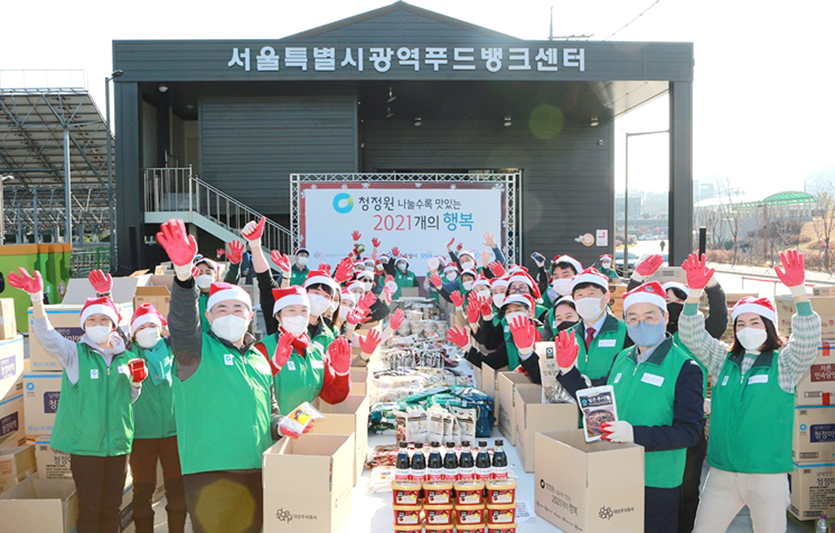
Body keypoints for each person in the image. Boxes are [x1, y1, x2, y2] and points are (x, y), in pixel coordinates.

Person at [156, 218, 304, 533]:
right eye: (222, 310)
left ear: (250, 316)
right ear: (208, 316)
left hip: (257, 471)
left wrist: (281, 424)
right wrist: (184, 276)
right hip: (211, 473)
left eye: (239, 309)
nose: (231, 315)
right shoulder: (194, 353)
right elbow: (182, 323)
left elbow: (270, 412)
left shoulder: (259, 360)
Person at [679, 252, 821, 533]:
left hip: (767, 477)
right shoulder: (722, 362)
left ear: (768, 327)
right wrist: (694, 293)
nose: (747, 329)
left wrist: (799, 294)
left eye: (755, 323)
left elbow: (807, 341)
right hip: (722, 474)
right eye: (740, 324)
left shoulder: (784, 365)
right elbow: (691, 334)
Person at [557, 281, 704, 533]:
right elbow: (596, 399)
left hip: (657, 481)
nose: (641, 323)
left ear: (665, 317)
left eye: (650, 316)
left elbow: (689, 432)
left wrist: (634, 434)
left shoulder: (685, 368)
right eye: (633, 318)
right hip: (616, 473)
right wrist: (568, 370)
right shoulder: (622, 358)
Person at [10, 267, 146, 533]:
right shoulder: (75, 355)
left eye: (103, 320)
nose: (98, 325)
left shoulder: (128, 359)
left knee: (111, 508)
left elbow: (129, 399)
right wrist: (38, 300)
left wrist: (136, 384)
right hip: (86, 449)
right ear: (84, 326)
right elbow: (47, 336)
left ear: (113, 325)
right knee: (90, 509)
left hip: (118, 446)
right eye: (92, 321)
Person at [628, 254, 728, 533]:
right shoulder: (642, 340)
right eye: (666, 297)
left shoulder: (696, 335)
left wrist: (712, 285)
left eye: (678, 298)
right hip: (652, 430)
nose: (671, 300)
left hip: (688, 424)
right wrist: (637, 280)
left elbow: (719, 318)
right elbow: (633, 311)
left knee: (686, 491)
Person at [252, 286, 376, 414]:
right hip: (275, 431)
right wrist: (274, 366)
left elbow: (332, 396)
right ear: (278, 316)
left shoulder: (316, 353)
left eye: (304, 311)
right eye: (291, 310)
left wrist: (342, 374)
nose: (298, 316)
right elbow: (251, 390)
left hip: (309, 430)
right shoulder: (264, 349)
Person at [127, 303, 187, 533]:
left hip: (174, 433)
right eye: (141, 326)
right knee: (143, 492)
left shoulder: (175, 352)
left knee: (177, 491)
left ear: (161, 328)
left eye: (152, 325)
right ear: (133, 333)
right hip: (141, 435)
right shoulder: (128, 355)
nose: (147, 330)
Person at [563, 267, 631, 385]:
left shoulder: (624, 331)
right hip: (574, 399)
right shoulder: (568, 335)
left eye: (591, 294)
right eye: (580, 295)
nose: (586, 300)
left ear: (606, 297)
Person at [195, 244, 241, 333]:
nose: (204, 276)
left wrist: (234, 266)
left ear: (215, 276)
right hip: (196, 341)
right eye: (200, 273)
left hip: (218, 339)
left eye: (208, 273)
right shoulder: (190, 296)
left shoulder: (220, 294)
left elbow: (230, 281)